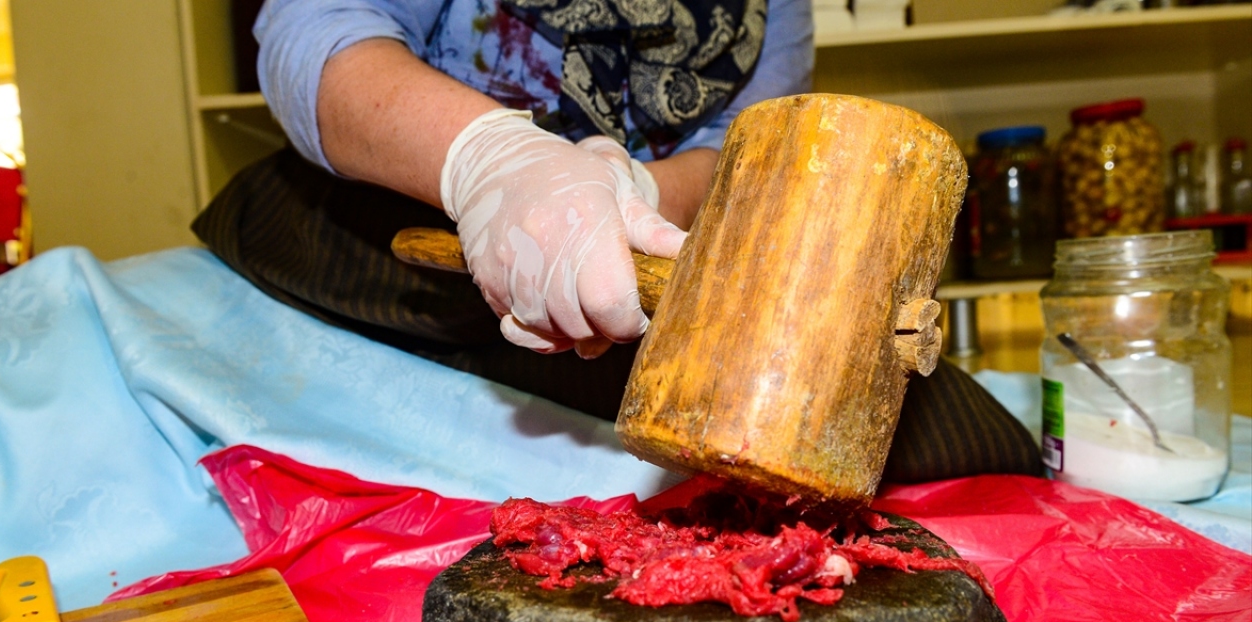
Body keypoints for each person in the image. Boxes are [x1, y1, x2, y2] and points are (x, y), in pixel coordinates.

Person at [194, 0, 1043, 480]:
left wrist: (626, 191)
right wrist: (493, 163)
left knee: (981, 448)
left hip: (635, 253)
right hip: (384, 216)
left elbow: (735, 151)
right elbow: (315, 38)